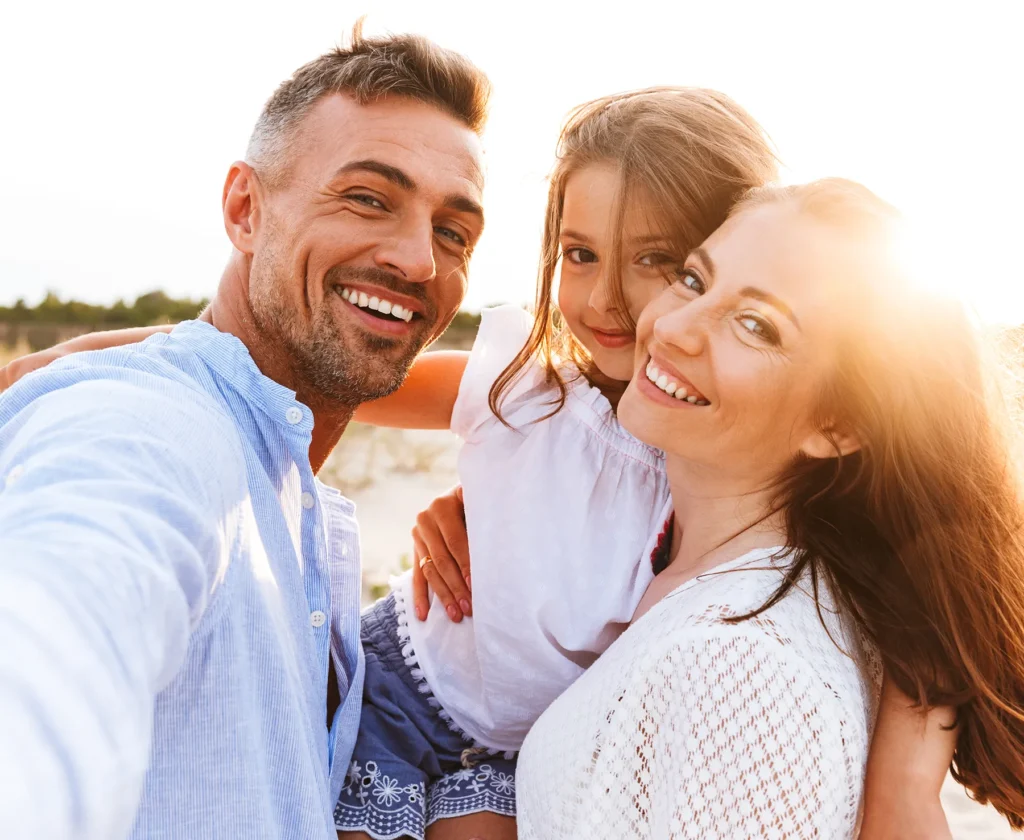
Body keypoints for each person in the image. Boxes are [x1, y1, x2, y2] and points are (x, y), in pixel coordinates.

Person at [4, 91, 966, 839]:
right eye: (580, 254)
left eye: (666, 263)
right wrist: (77, 363)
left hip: (508, 748)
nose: (624, 306)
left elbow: (919, 557)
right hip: (413, 689)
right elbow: (292, 370)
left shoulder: (714, 491)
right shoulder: (529, 388)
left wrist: (906, 784)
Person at [0, 25, 490, 840]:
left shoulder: (296, 497)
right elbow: (60, 630)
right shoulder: (153, 431)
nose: (418, 261)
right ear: (244, 208)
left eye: (454, 233)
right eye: (368, 197)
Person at [514, 179, 1024, 837]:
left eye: (756, 326)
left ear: (838, 425)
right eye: (695, 281)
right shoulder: (672, 562)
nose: (672, 328)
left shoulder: (740, 668)